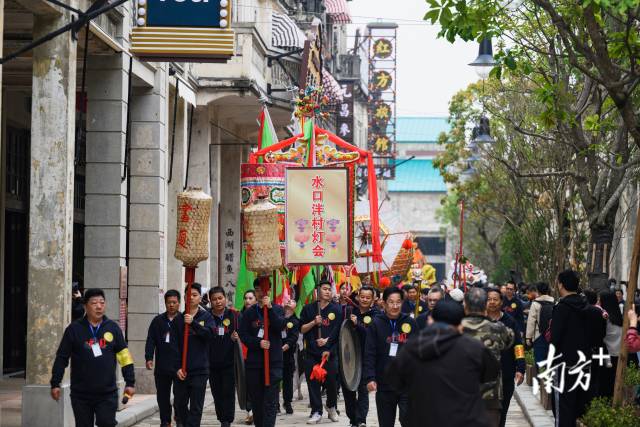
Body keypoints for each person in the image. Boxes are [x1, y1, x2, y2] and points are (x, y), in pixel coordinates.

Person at [387, 300, 500, 427]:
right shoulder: (474, 348)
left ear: (430, 320)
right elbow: (491, 374)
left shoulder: (412, 348)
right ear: (461, 325)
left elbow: (394, 380)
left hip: (423, 419)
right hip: (466, 419)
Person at [50, 288, 135, 427]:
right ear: (85, 306)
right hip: (81, 394)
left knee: (107, 423)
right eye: (94, 303)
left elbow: (124, 356)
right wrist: (55, 382)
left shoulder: (113, 328)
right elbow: (62, 357)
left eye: (102, 302)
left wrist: (130, 382)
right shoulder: (74, 329)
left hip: (107, 393)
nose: (99, 306)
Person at [549, 270, 604, 427]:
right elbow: (598, 337)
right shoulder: (592, 310)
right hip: (586, 362)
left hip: (564, 364)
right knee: (580, 405)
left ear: (560, 284)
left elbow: (555, 339)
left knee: (563, 407)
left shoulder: (561, 308)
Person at [364, 286, 417, 427]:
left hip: (407, 383)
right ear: (384, 303)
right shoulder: (376, 323)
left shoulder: (410, 322)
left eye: (398, 302)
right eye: (391, 302)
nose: (395, 306)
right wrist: (370, 378)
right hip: (385, 383)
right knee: (386, 423)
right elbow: (369, 352)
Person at [461, 288, 513, 427]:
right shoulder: (498, 328)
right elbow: (510, 341)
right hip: (491, 395)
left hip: (461, 394)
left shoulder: (456, 327)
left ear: (465, 304)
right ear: (485, 305)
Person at [239, 278, 286, 427]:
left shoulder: (278, 309)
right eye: (258, 290)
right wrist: (257, 343)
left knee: (270, 402)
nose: (260, 293)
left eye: (263, 290)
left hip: (273, 363)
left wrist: (270, 309)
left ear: (269, 291)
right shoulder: (249, 313)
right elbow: (244, 335)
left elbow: (279, 326)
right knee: (257, 401)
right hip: (255, 364)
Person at [299, 281, 343, 424]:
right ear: (317, 291)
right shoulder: (308, 309)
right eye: (324, 289)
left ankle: (331, 406)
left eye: (330, 290)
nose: (328, 292)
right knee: (313, 383)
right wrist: (313, 322)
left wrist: (327, 342)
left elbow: (338, 332)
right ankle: (316, 411)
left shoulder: (336, 309)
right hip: (311, 352)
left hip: (330, 352)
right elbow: (302, 329)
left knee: (332, 382)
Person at [174, 282, 215, 427]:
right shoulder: (178, 319)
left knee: (196, 408)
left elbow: (209, 335)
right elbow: (173, 346)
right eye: (188, 295)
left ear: (200, 297)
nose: (191, 297)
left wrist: (193, 324)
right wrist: (177, 367)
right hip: (181, 371)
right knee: (180, 406)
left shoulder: (207, 316)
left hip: (200, 370)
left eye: (194, 295)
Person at [486, 288, 525, 427]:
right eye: (489, 299)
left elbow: (518, 346)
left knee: (501, 412)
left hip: (505, 374)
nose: (491, 302)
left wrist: (520, 368)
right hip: (484, 376)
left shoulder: (510, 322)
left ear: (501, 302)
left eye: (495, 299)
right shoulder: (479, 321)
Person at [145, 289, 183, 427]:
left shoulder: (183, 320)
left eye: (174, 302)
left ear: (179, 303)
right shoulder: (158, 321)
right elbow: (151, 340)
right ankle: (165, 421)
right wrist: (149, 357)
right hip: (162, 366)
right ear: (165, 303)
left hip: (179, 366)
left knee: (179, 396)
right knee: (162, 396)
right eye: (169, 302)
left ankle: (179, 417)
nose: (171, 305)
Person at [344, 285, 379, 427]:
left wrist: (357, 324)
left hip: (366, 357)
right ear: (358, 297)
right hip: (349, 357)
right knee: (348, 390)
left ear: (373, 299)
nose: (364, 300)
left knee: (363, 391)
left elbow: (371, 335)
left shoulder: (376, 315)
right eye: (362, 297)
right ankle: (353, 418)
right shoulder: (349, 311)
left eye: (368, 297)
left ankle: (361, 420)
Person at [207, 287, 239, 427]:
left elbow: (244, 333)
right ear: (210, 301)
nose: (218, 302)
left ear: (225, 298)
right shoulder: (207, 317)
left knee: (228, 392)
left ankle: (227, 420)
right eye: (214, 299)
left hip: (229, 362)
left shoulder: (234, 315)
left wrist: (236, 337)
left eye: (220, 298)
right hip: (211, 363)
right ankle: (221, 418)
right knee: (217, 393)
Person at [598, 290, 623, 398]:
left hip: (606, 355)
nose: (599, 302)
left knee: (604, 385)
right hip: (618, 355)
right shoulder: (620, 318)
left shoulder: (605, 318)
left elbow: (600, 336)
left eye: (600, 300)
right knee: (614, 383)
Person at [525, 282, 555, 364]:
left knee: (539, 360)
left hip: (538, 335)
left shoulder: (535, 304)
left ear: (538, 291)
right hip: (551, 335)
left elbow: (531, 322)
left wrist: (528, 337)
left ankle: (541, 376)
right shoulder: (554, 302)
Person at [280, 299, 300, 415]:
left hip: (287, 355)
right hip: (275, 354)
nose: (288, 301)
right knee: (275, 380)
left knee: (287, 380)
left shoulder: (295, 321)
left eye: (292, 300)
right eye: (287, 300)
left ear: (295, 306)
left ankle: (287, 402)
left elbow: (293, 338)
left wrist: (284, 347)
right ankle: (275, 404)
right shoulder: (278, 317)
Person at [242, 289, 257, 425]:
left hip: (256, 355)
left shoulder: (260, 315)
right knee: (245, 385)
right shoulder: (239, 316)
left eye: (250, 298)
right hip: (243, 356)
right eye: (246, 298)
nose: (247, 301)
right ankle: (249, 411)